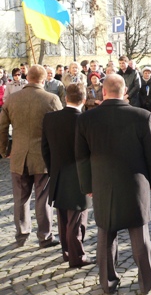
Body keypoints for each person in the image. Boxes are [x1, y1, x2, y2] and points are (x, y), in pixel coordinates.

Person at [76, 74, 151, 294]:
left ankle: (107, 283)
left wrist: (88, 187)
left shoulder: (86, 119)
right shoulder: (142, 116)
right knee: (139, 235)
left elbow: (81, 157)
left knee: (105, 234)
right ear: (124, 92)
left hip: (102, 184)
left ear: (103, 92)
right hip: (135, 183)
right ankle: (148, 281)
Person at [0, 65, 63, 248]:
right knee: (43, 198)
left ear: (27, 77)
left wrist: (4, 150)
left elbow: (2, 128)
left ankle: (22, 234)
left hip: (19, 154)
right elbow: (60, 129)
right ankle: (44, 236)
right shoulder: (51, 99)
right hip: (43, 156)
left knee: (20, 198)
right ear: (43, 80)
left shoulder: (12, 99)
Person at [42, 83, 95, 268]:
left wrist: (53, 171)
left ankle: (66, 252)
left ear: (65, 98)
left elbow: (45, 150)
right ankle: (77, 256)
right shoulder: (87, 119)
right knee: (77, 220)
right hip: (81, 177)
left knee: (63, 218)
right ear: (84, 100)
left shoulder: (50, 118)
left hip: (58, 174)